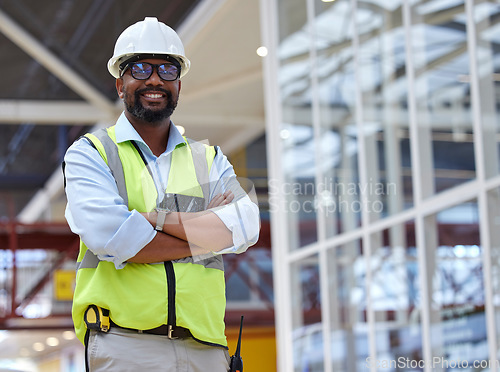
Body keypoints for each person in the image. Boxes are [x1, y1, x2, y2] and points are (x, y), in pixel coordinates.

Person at [63, 17, 260, 372]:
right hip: (125, 344)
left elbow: (246, 227)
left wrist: (155, 219)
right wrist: (206, 237)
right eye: (140, 68)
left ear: (179, 86)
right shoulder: (92, 153)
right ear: (120, 83)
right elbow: (114, 237)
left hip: (207, 348)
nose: (155, 79)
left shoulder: (209, 160)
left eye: (167, 70)